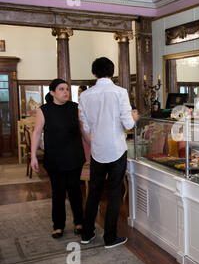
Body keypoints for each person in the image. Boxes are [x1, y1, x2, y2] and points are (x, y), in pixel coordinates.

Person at [79, 57, 139, 249]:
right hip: (116, 149)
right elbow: (128, 124)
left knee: (94, 193)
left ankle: (87, 234)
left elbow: (86, 126)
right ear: (112, 72)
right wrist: (134, 117)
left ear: (94, 73)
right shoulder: (120, 92)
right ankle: (110, 238)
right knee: (114, 193)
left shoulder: (85, 96)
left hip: (97, 151)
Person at [31, 79, 87, 239]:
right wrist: (33, 156)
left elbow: (83, 130)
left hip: (74, 157)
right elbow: (36, 133)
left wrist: (93, 145)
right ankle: (58, 226)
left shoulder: (75, 108)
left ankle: (79, 222)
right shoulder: (44, 110)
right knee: (58, 193)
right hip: (54, 159)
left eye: (67, 89)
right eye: (61, 89)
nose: (65, 92)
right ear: (52, 93)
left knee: (75, 191)